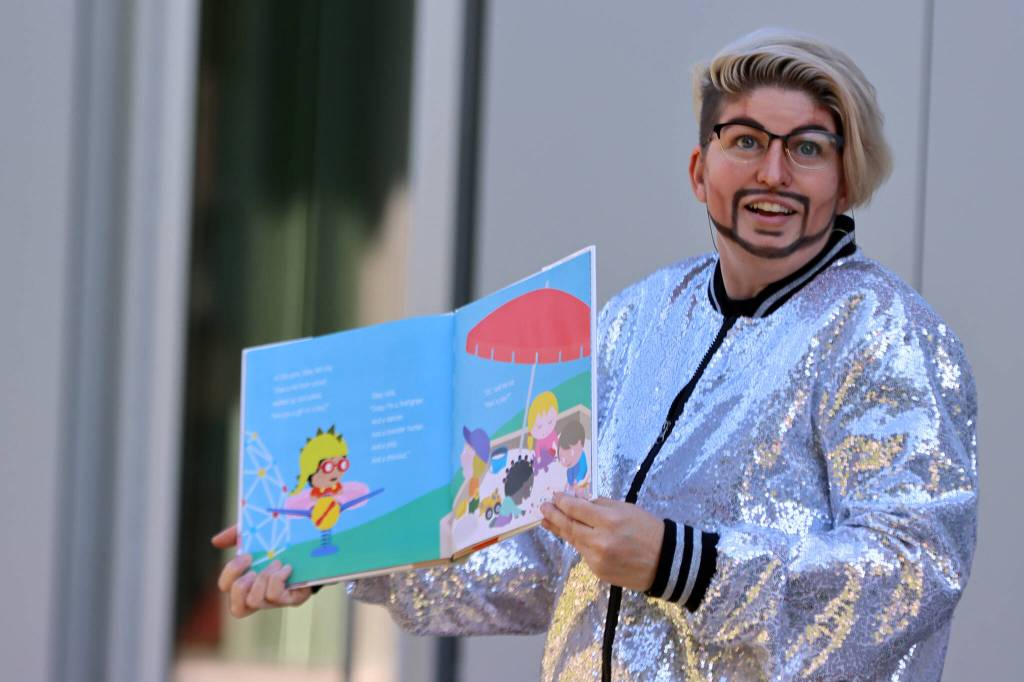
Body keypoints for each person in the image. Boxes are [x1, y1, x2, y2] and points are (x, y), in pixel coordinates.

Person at [215, 28, 977, 680]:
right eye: (745, 141)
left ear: (845, 180)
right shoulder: (638, 318)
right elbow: (545, 553)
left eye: (807, 148)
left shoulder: (885, 333)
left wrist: (685, 563)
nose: (772, 173)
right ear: (699, 171)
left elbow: (914, 574)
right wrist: (338, 556)